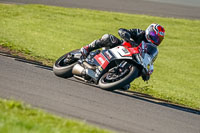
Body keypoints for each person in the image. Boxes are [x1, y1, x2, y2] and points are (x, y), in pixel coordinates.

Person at [80, 23, 165, 90]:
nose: (155, 40)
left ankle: (117, 76)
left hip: (133, 60)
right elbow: (123, 30)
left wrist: (146, 73)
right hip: (122, 49)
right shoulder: (140, 33)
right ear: (149, 31)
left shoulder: (154, 50)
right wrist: (125, 34)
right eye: (154, 36)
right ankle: (87, 48)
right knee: (109, 38)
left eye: (158, 39)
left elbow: (149, 61)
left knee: (125, 86)